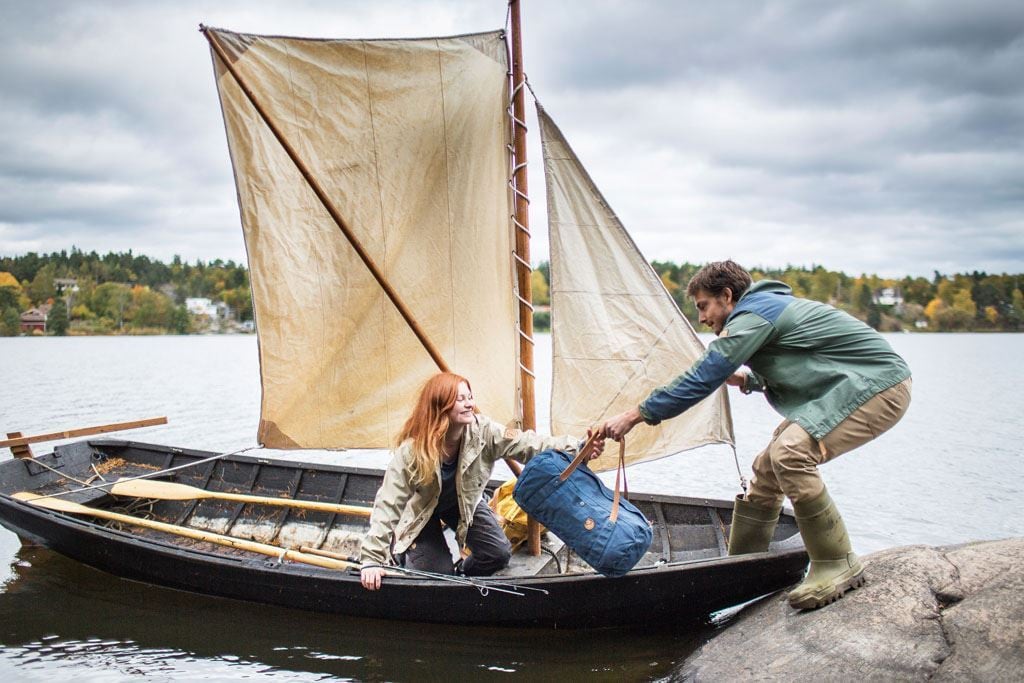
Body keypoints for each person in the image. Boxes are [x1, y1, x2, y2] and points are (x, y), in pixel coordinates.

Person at [602, 260, 911, 610]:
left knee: (791, 454)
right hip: (852, 387)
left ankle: (837, 562)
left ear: (727, 296)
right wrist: (750, 380)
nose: (702, 318)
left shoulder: (754, 314)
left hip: (879, 387)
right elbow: (808, 360)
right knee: (766, 468)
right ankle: (741, 565)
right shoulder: (765, 311)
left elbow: (705, 374)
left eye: (703, 306)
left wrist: (635, 415)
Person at [359, 372, 602, 590]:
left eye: (470, 397)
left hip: (464, 502)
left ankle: (463, 575)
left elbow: (530, 444)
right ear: (441, 405)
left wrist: (578, 448)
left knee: (497, 554)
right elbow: (388, 505)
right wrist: (371, 559)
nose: (469, 404)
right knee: (440, 576)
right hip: (421, 511)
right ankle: (405, 555)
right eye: (460, 399)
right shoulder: (413, 451)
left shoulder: (483, 431)